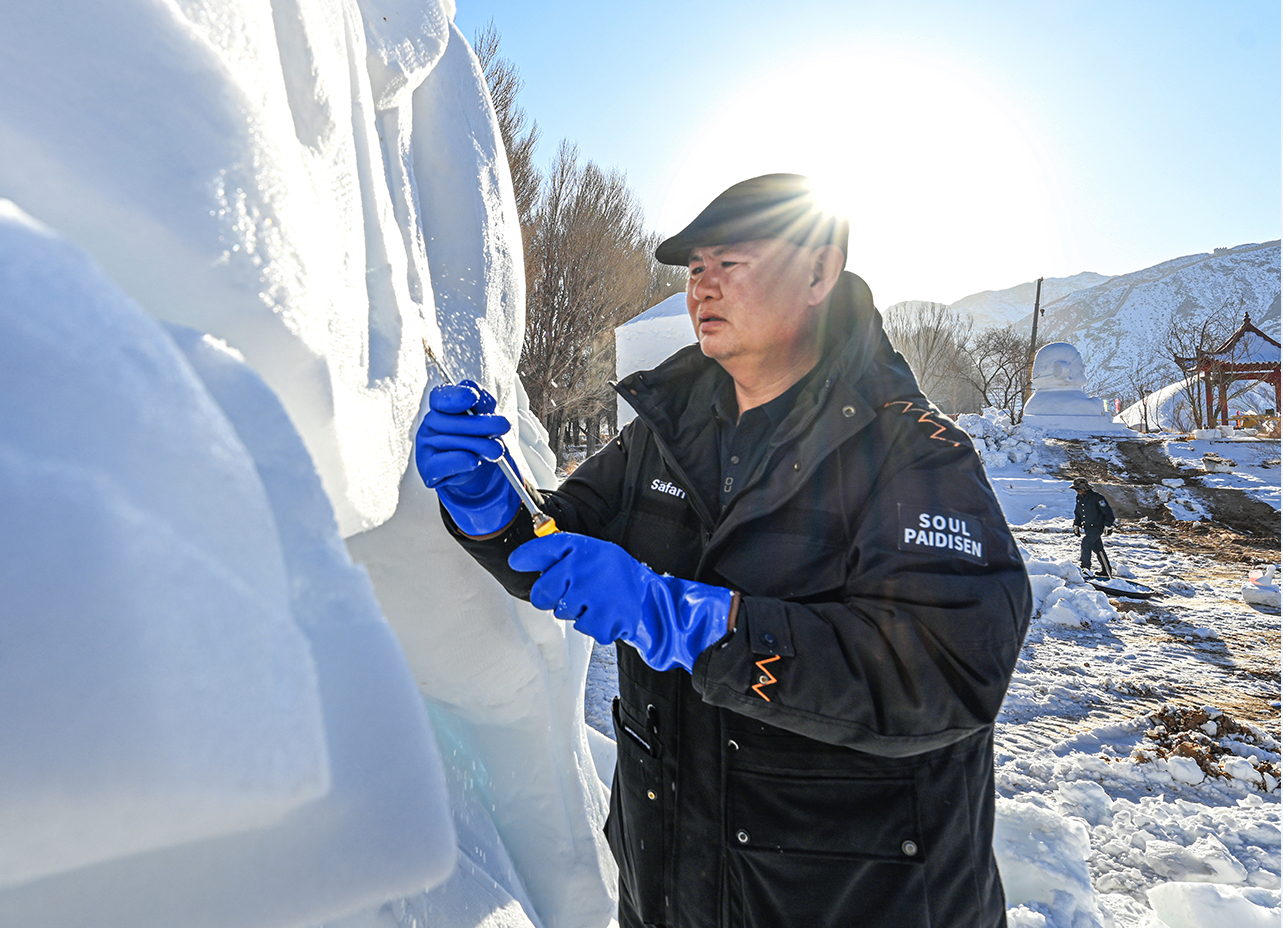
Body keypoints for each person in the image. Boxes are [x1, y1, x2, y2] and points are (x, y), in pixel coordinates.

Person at [415, 173, 1032, 928]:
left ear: (818, 271)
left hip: (854, 901)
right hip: (671, 892)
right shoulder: (665, 435)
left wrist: (698, 622)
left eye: (729, 263)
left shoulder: (911, 449)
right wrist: (485, 500)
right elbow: (555, 546)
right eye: (694, 269)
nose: (702, 287)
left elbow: (946, 670)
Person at [1072, 478, 1116, 577]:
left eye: (1079, 489)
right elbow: (1078, 513)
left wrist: (1108, 525)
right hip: (1088, 527)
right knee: (1098, 548)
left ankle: (1085, 568)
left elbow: (1108, 513)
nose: (1077, 491)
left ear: (1085, 488)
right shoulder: (1079, 498)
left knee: (1086, 543)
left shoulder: (1097, 498)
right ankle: (1106, 570)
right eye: (1076, 489)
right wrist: (1076, 524)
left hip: (1097, 527)